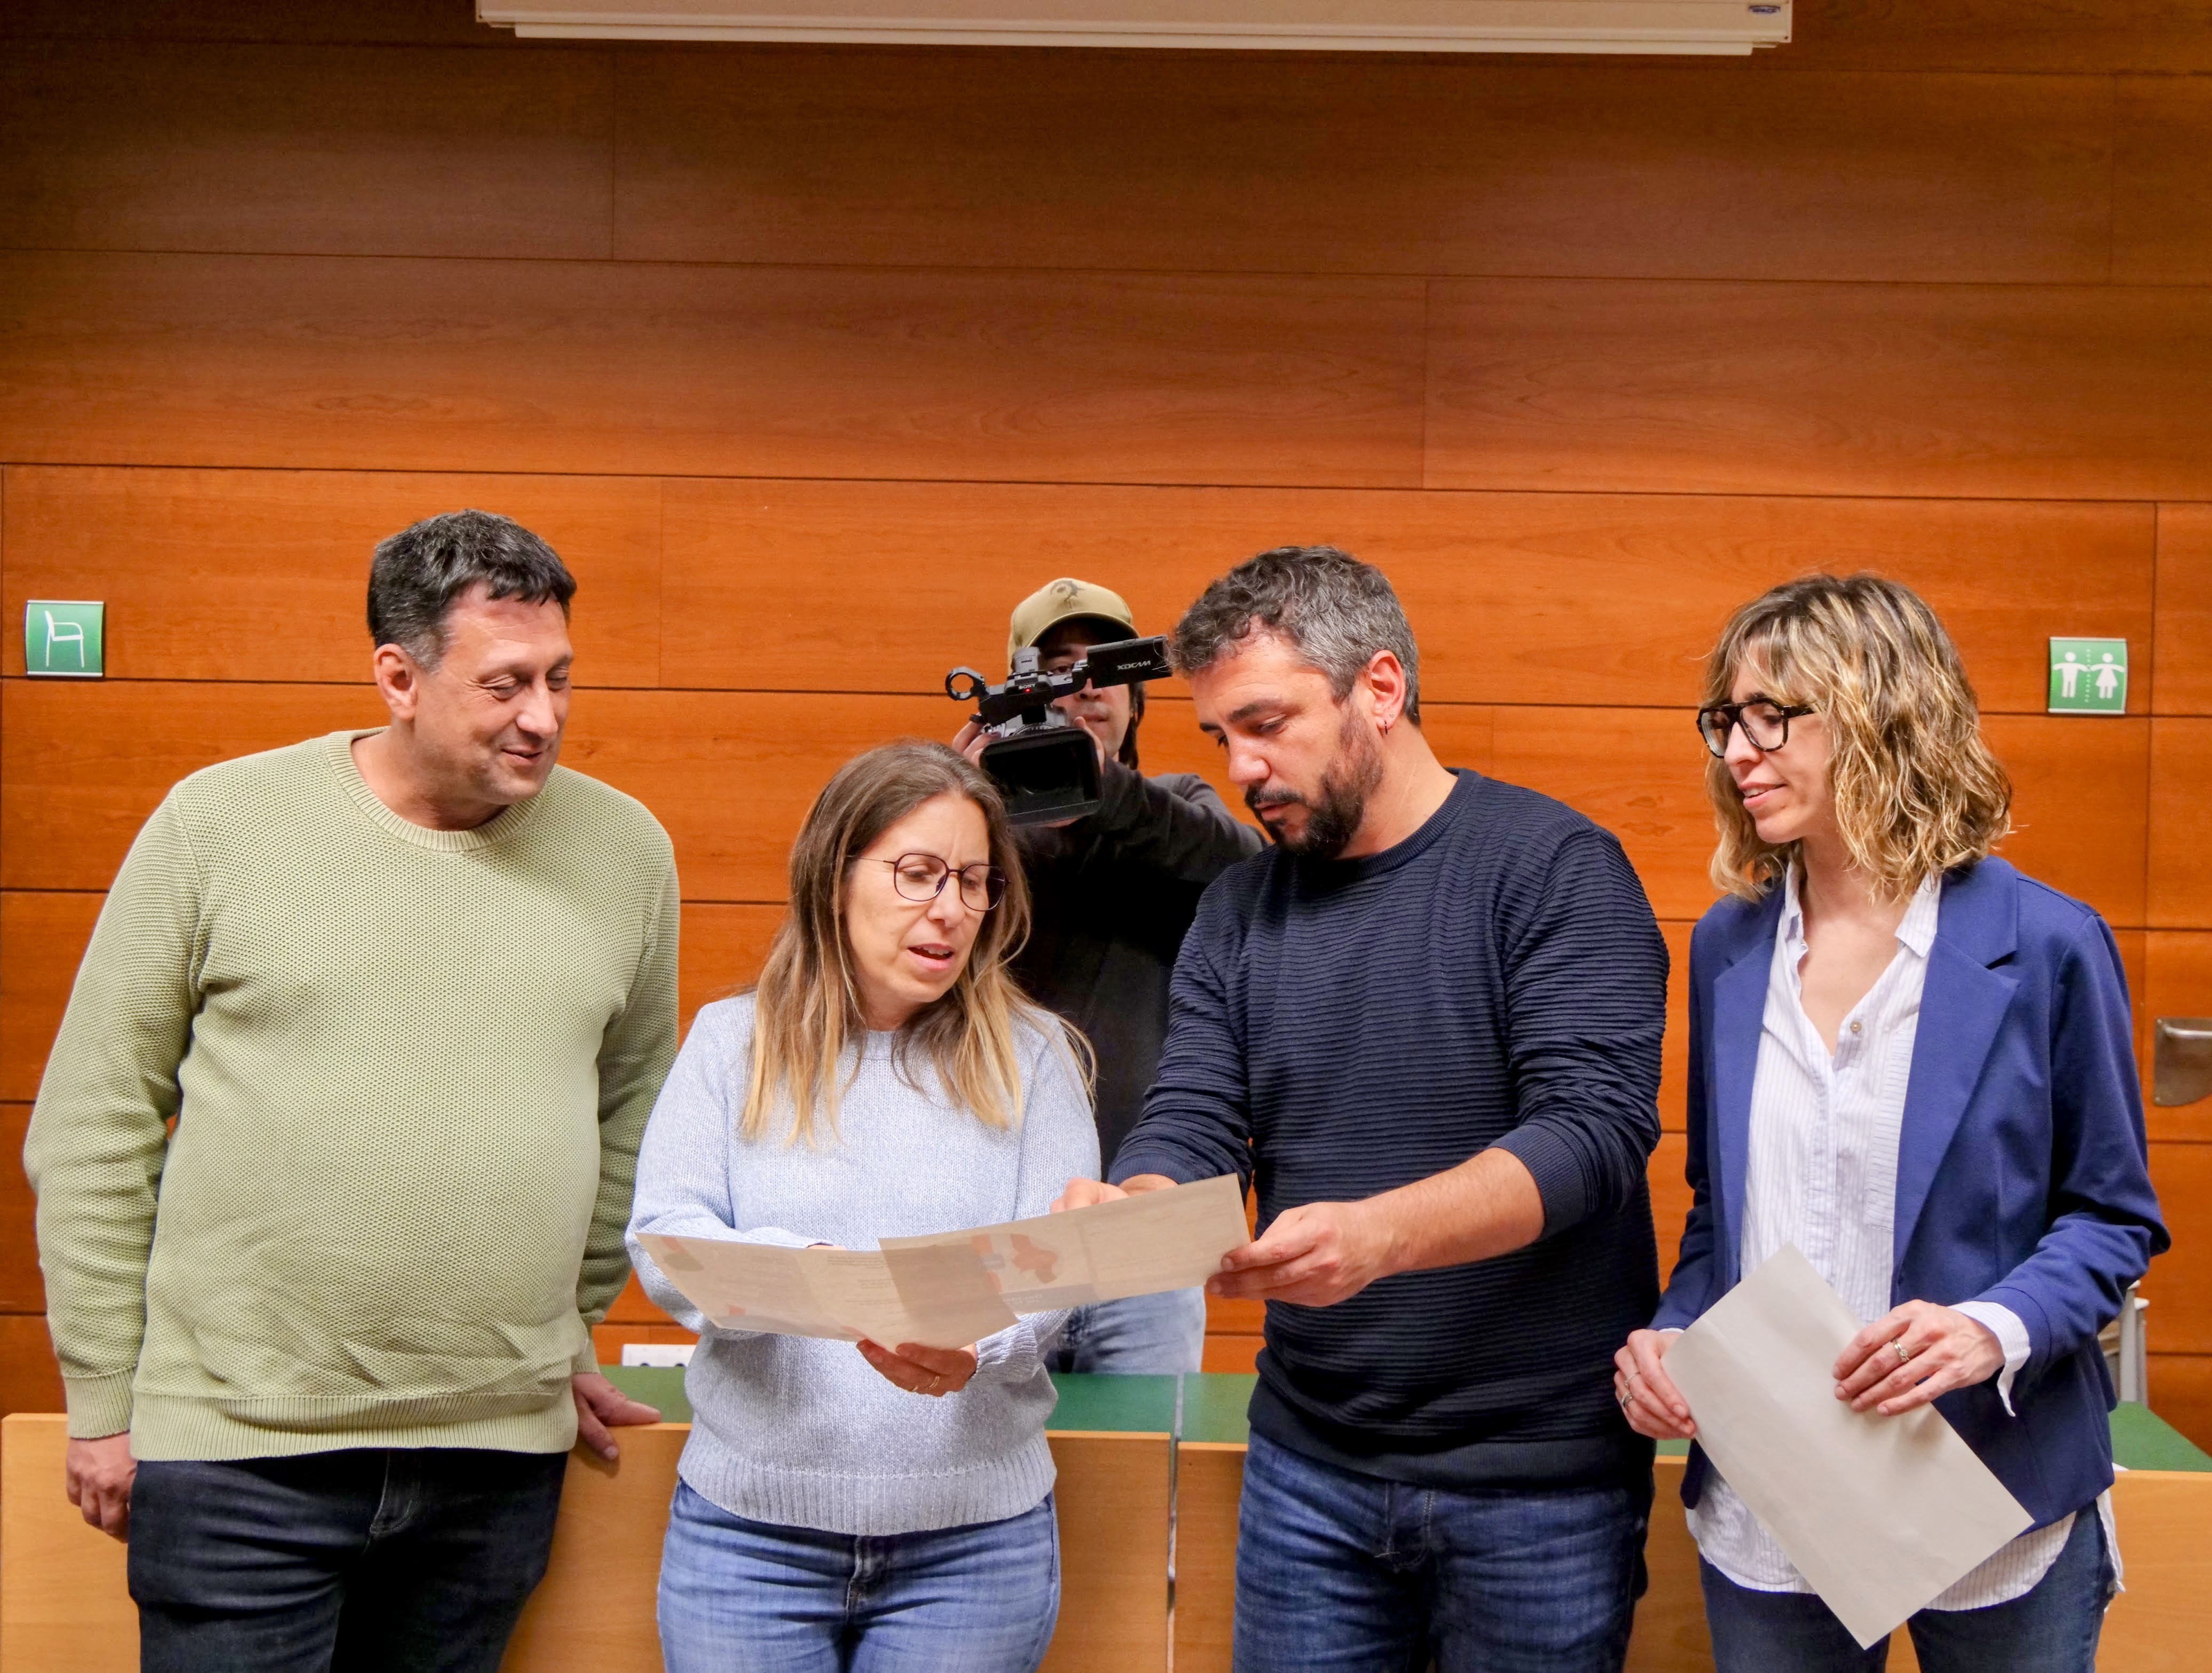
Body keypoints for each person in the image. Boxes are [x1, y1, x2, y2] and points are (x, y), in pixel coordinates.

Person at [24, 510, 676, 1670]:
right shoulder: (217, 825)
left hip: (493, 1464)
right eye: (506, 683)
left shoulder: (628, 851)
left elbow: (631, 1109)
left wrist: (571, 1323)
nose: (545, 717)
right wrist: (105, 1396)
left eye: (561, 678)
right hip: (237, 1462)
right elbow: (93, 1118)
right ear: (398, 676)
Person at [1056, 546, 1670, 1672]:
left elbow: (1590, 1132)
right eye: (1219, 740)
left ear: (1377, 690)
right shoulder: (1239, 908)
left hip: (1535, 1483)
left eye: (1267, 724)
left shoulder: (1553, 868)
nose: (1242, 768)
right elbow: (1193, 1115)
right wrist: (1135, 1207)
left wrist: (1374, 1237)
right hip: (1310, 1471)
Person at [1614, 574, 2167, 1673]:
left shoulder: (2046, 943)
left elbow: (2109, 1216)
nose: (1737, 750)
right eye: (1725, 719)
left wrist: (1988, 1327)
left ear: (1880, 713)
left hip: (1993, 1502)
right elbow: (1719, 1224)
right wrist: (1678, 1331)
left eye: (1772, 716)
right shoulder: (1726, 952)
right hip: (1772, 1513)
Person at [627, 741, 1100, 1673]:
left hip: (973, 1548)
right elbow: (668, 1236)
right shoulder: (731, 1042)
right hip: (747, 1541)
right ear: (835, 876)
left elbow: (1057, 1259)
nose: (951, 909)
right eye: (918, 874)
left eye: (974, 881)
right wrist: (810, 1275)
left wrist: (978, 1338)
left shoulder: (1037, 1055)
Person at [955, 577, 1262, 1374]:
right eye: (1056, 670)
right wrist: (959, 798)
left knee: (1140, 1474)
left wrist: (1096, 787)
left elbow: (1246, 871)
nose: (1082, 688)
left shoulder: (1175, 807)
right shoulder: (977, 828)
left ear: (1137, 698)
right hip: (999, 1221)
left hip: (1143, 1222)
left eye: (1103, 669)